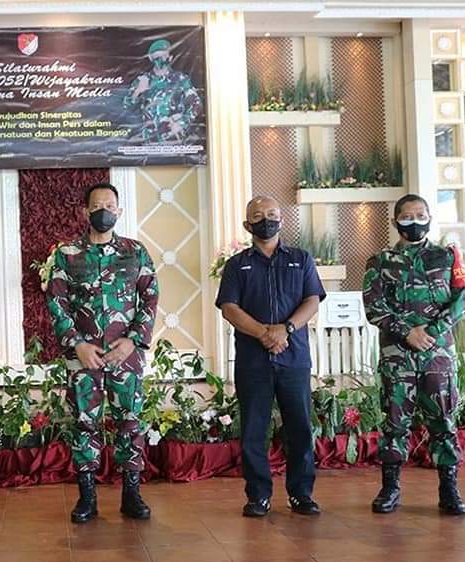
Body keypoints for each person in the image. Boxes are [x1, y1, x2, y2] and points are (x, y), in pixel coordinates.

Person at [46, 182, 159, 523]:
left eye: (110, 206)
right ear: (85, 211)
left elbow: (150, 297)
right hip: (84, 357)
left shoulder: (135, 252)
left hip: (126, 356)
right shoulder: (67, 254)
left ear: (119, 211)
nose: (104, 211)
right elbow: (56, 301)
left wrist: (133, 341)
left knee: (130, 423)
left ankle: (131, 494)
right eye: (97, 206)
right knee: (84, 424)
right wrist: (76, 344)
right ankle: (87, 497)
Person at [215, 195, 325, 518]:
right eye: (258, 215)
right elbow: (229, 308)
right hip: (253, 360)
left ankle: (301, 494)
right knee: (254, 429)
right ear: (247, 225)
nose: (267, 219)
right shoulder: (237, 265)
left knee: (299, 427)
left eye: (273, 214)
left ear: (282, 219)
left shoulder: (301, 259)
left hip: (294, 358)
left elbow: (312, 300)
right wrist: (264, 333)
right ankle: (258, 496)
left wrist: (285, 329)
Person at [364, 194, 465, 516]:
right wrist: (407, 332)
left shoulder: (447, 256)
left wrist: (433, 331)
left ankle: (449, 488)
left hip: (438, 355)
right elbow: (374, 307)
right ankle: (390, 488)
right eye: (407, 216)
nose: (414, 221)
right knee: (395, 422)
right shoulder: (379, 261)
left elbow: (462, 298)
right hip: (398, 356)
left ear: (430, 218)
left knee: (443, 421)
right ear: (395, 221)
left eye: (420, 215)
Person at [123, 38, 203, 144]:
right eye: (157, 57)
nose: (161, 60)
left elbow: (196, 104)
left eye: (164, 56)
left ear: (170, 58)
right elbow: (127, 107)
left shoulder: (180, 79)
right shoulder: (142, 80)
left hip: (174, 140)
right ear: (150, 58)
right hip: (150, 141)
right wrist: (137, 92)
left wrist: (182, 122)